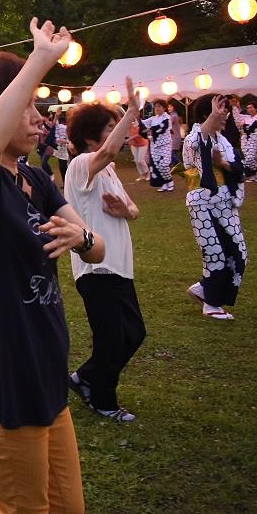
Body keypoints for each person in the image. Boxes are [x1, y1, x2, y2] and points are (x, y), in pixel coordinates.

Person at [0, 18, 105, 514]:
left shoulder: (37, 178)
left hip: (47, 372)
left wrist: (80, 237)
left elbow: (96, 248)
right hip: (8, 380)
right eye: (29, 104)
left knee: (69, 511)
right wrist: (39, 60)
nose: (40, 118)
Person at [64, 78, 146, 423]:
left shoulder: (109, 171)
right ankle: (103, 398)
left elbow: (134, 210)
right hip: (95, 268)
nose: (121, 133)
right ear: (90, 135)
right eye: (112, 128)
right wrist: (131, 112)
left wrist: (124, 211)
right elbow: (109, 150)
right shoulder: (82, 164)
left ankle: (84, 378)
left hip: (119, 266)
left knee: (134, 332)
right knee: (112, 338)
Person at [183, 94, 248, 321]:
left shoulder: (223, 139)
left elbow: (239, 168)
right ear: (206, 113)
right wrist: (212, 116)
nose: (225, 115)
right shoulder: (192, 138)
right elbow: (199, 141)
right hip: (203, 204)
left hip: (225, 203)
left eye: (226, 111)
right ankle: (211, 303)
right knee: (215, 252)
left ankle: (203, 289)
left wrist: (224, 164)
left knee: (238, 253)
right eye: (221, 110)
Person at [141, 99, 175, 192]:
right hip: (154, 145)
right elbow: (143, 123)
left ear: (164, 108)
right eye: (156, 106)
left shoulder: (167, 118)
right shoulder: (153, 119)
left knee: (164, 165)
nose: (157, 108)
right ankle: (163, 183)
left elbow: (162, 128)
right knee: (157, 165)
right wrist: (136, 116)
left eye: (159, 106)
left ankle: (170, 181)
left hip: (165, 145)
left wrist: (150, 129)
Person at [234, 102, 257, 182]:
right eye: (248, 108)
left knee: (249, 159)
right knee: (248, 158)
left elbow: (251, 128)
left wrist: (243, 126)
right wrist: (236, 107)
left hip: (254, 140)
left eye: (251, 107)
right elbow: (236, 117)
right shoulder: (246, 117)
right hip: (245, 140)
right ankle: (254, 175)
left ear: (256, 108)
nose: (249, 109)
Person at [167, 103, 184, 168]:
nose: (169, 108)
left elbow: (168, 124)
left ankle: (180, 164)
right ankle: (174, 164)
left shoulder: (173, 116)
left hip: (175, 136)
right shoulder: (172, 115)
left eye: (170, 107)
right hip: (173, 136)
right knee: (172, 152)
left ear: (174, 107)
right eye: (168, 107)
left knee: (171, 152)